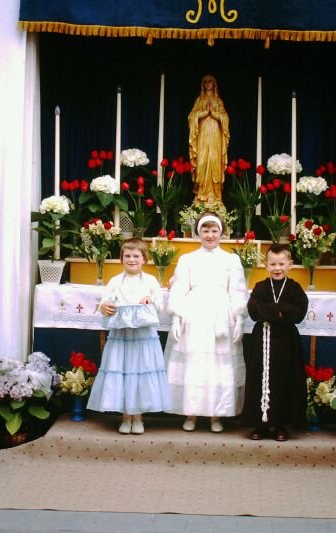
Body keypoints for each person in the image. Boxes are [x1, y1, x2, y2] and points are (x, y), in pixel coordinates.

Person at [164, 212, 248, 432]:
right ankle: (190, 413)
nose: (210, 235)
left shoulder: (231, 260)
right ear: (198, 233)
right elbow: (179, 288)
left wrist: (239, 317)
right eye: (205, 230)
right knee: (195, 365)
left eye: (214, 230)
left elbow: (238, 290)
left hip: (221, 316)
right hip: (194, 316)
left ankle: (216, 415)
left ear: (221, 233)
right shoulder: (188, 259)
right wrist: (176, 317)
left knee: (218, 367)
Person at [87, 238, 171, 434]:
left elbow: (160, 305)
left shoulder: (150, 281)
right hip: (121, 335)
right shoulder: (115, 281)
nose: (131, 259)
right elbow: (105, 302)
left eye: (136, 256)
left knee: (141, 372)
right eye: (127, 256)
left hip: (143, 337)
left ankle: (138, 417)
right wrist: (104, 307)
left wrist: (150, 300)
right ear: (121, 259)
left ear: (144, 259)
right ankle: (125, 417)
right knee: (123, 372)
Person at [241, 244, 309, 442]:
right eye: (273, 264)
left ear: (290, 264)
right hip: (262, 339)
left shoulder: (295, 288)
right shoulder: (260, 287)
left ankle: (281, 425)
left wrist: (272, 311)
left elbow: (299, 313)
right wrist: (281, 311)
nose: (277, 268)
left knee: (284, 379)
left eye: (281, 264)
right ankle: (259, 425)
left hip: (287, 342)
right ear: (266, 265)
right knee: (259, 379)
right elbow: (254, 310)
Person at [188, 74, 230, 204]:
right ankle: (201, 194)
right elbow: (191, 116)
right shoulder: (199, 100)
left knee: (214, 162)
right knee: (202, 162)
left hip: (215, 136)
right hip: (202, 136)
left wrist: (216, 115)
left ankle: (214, 194)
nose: (207, 84)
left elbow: (225, 117)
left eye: (210, 81)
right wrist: (203, 114)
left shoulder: (218, 101)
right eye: (205, 82)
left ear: (214, 84)